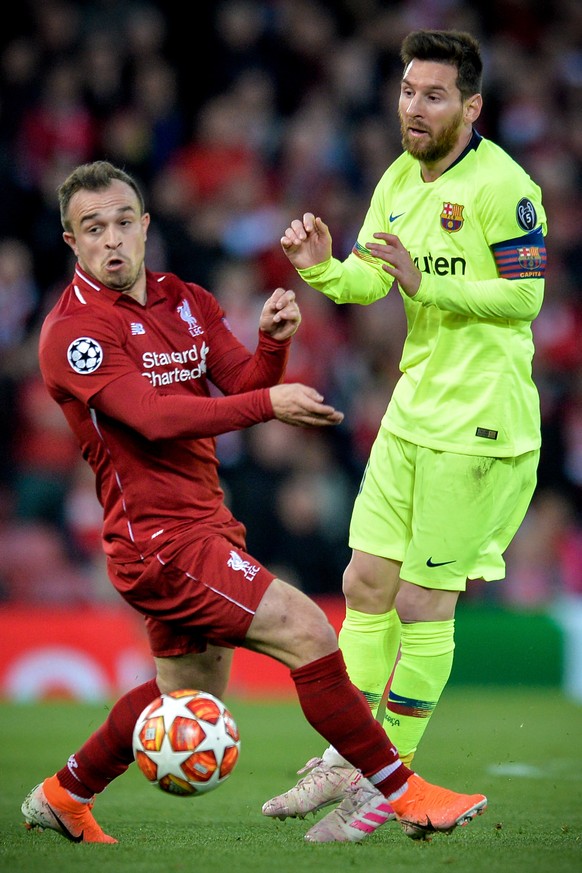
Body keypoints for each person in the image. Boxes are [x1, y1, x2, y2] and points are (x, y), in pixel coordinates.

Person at [20, 160, 486, 845]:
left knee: (187, 696)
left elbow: (243, 376)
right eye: (94, 229)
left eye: (123, 222)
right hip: (159, 538)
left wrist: (274, 339)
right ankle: (404, 793)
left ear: (146, 226)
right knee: (307, 629)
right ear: (71, 241)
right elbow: (151, 416)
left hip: (204, 518)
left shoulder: (187, 299)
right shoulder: (74, 332)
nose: (112, 239)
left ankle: (64, 792)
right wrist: (269, 402)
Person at [262, 29, 546, 842]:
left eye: (432, 95)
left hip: (481, 423)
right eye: (407, 91)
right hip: (411, 414)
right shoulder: (395, 179)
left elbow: (526, 295)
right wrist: (321, 267)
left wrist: (436, 286)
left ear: (471, 105)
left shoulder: (505, 185)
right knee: (362, 587)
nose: (413, 108)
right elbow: (369, 278)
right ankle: (345, 757)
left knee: (424, 601)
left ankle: (390, 780)